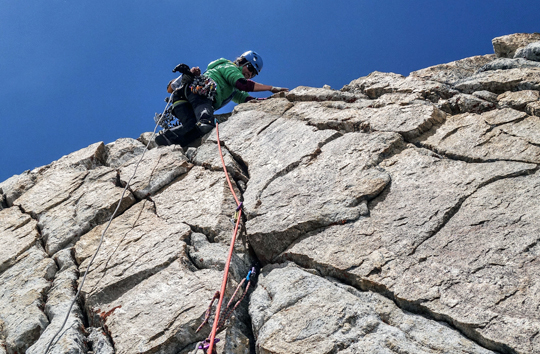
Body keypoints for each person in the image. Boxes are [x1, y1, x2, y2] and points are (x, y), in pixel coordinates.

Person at [155, 51, 289, 146]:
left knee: (192, 127)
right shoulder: (229, 67)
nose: (249, 74)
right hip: (197, 93)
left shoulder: (232, 89)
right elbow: (243, 84)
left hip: (182, 102)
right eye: (249, 68)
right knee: (206, 119)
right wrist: (271, 88)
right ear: (242, 62)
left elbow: (246, 99)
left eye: (253, 74)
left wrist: (268, 101)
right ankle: (204, 120)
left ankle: (167, 137)